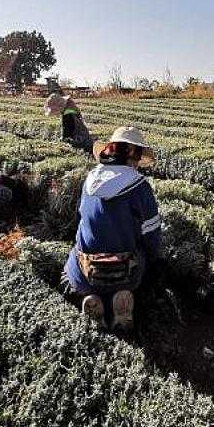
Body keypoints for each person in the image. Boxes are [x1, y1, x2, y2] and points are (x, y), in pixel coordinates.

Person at [63, 127, 162, 331]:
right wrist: (153, 259)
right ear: (133, 154)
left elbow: (81, 221)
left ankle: (93, 297)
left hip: (86, 270)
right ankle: (121, 298)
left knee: (75, 256)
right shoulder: (139, 186)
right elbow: (151, 235)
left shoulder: (90, 179)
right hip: (125, 271)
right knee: (141, 257)